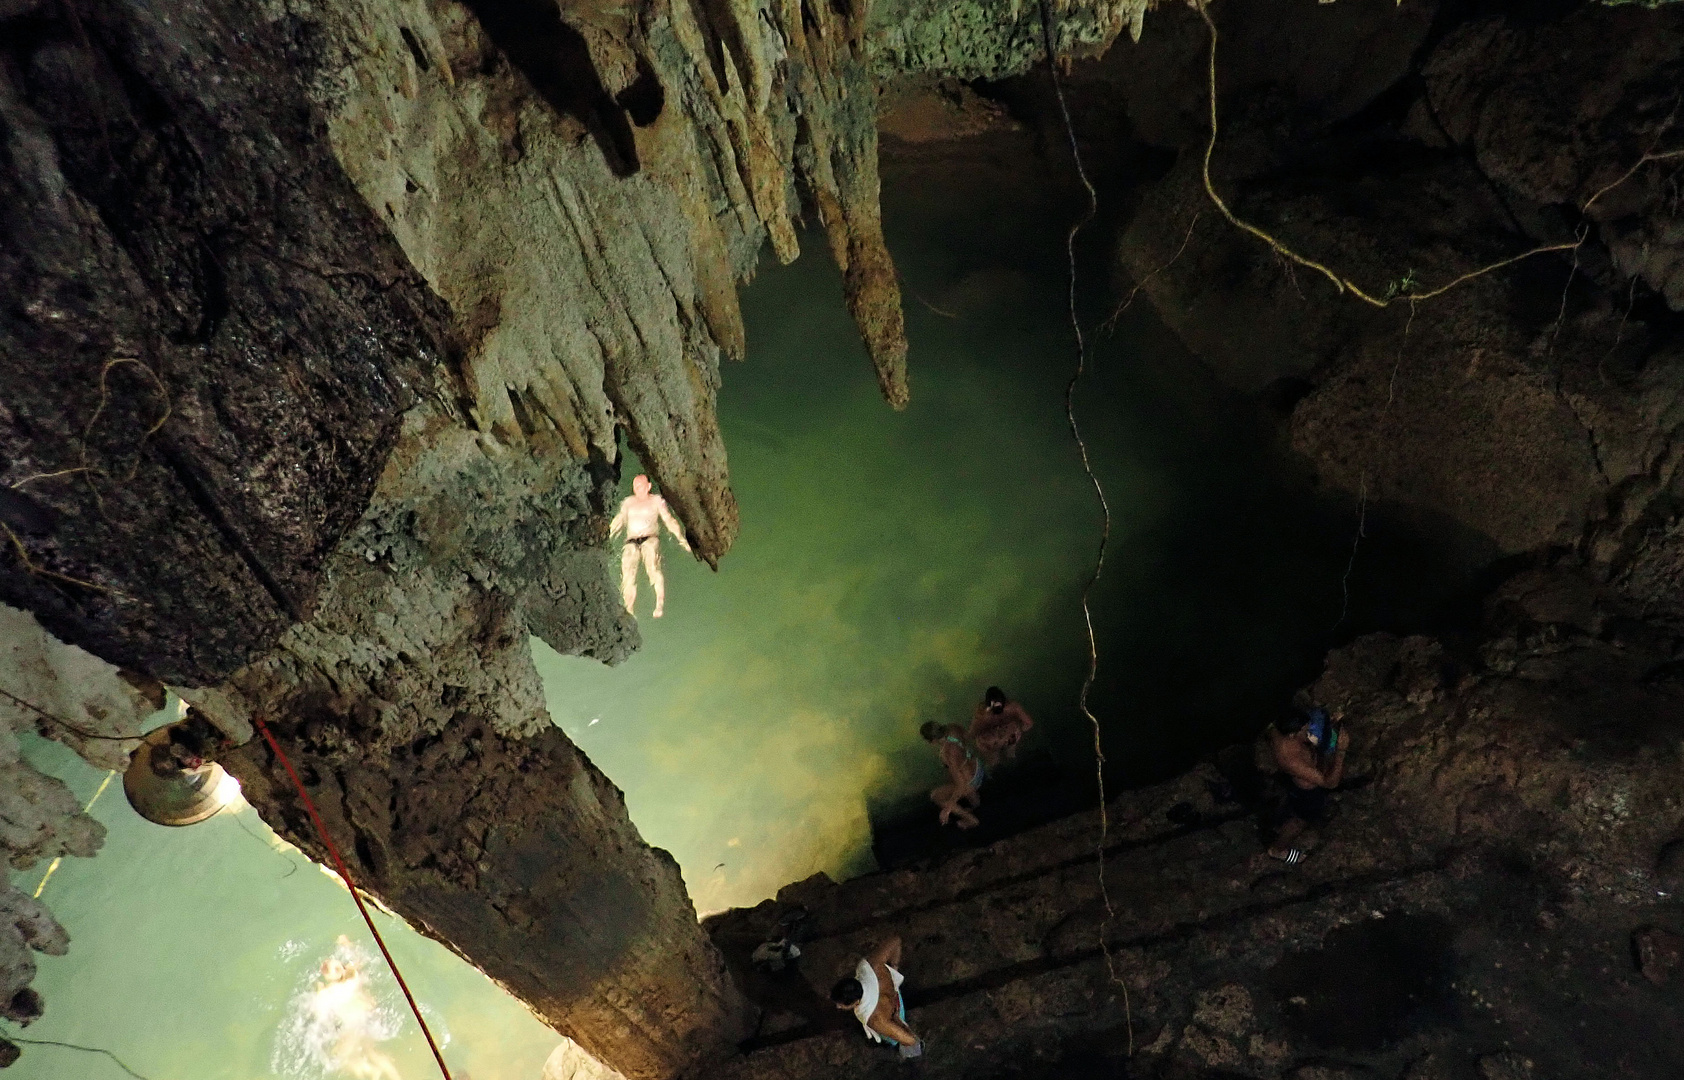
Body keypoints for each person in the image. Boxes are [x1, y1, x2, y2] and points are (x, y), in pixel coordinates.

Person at [1266, 706, 1348, 864]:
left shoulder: (1277, 732)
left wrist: (1328, 724)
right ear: (1292, 734)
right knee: (1300, 821)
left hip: (1298, 780)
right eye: (1304, 730)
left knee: (1293, 803)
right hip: (1307, 791)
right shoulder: (1291, 760)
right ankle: (1278, 850)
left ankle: (1283, 810)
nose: (1308, 731)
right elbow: (1330, 783)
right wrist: (1341, 751)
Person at [608, 474, 691, 618]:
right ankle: (629, 609)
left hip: (650, 539)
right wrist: (607, 535)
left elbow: (668, 520)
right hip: (631, 541)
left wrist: (681, 539)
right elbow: (619, 521)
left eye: (641, 485)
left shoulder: (656, 501)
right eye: (635, 485)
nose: (638, 488)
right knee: (628, 575)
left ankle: (659, 604)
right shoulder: (628, 502)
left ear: (649, 486)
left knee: (652, 568)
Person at [830, 936, 922, 1058]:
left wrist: (898, 1021)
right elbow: (895, 940)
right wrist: (894, 967)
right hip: (894, 996)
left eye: (842, 1004)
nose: (838, 1006)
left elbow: (911, 1041)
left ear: (856, 1002)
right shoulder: (873, 964)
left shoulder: (875, 1020)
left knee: (894, 1039)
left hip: (891, 1016)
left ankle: (893, 1044)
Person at [921, 720, 982, 829]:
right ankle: (976, 804)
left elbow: (961, 785)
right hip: (977, 766)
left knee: (936, 796)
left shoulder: (947, 754)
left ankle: (971, 820)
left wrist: (947, 809)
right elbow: (968, 738)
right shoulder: (952, 727)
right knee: (955, 776)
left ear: (933, 741)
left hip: (971, 781)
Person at [969, 686, 1034, 766]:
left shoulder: (1013, 707)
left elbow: (1029, 723)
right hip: (990, 743)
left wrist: (1015, 730)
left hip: (1009, 735)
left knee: (1011, 750)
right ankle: (995, 767)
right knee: (994, 762)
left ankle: (1012, 761)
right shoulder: (982, 716)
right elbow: (972, 735)